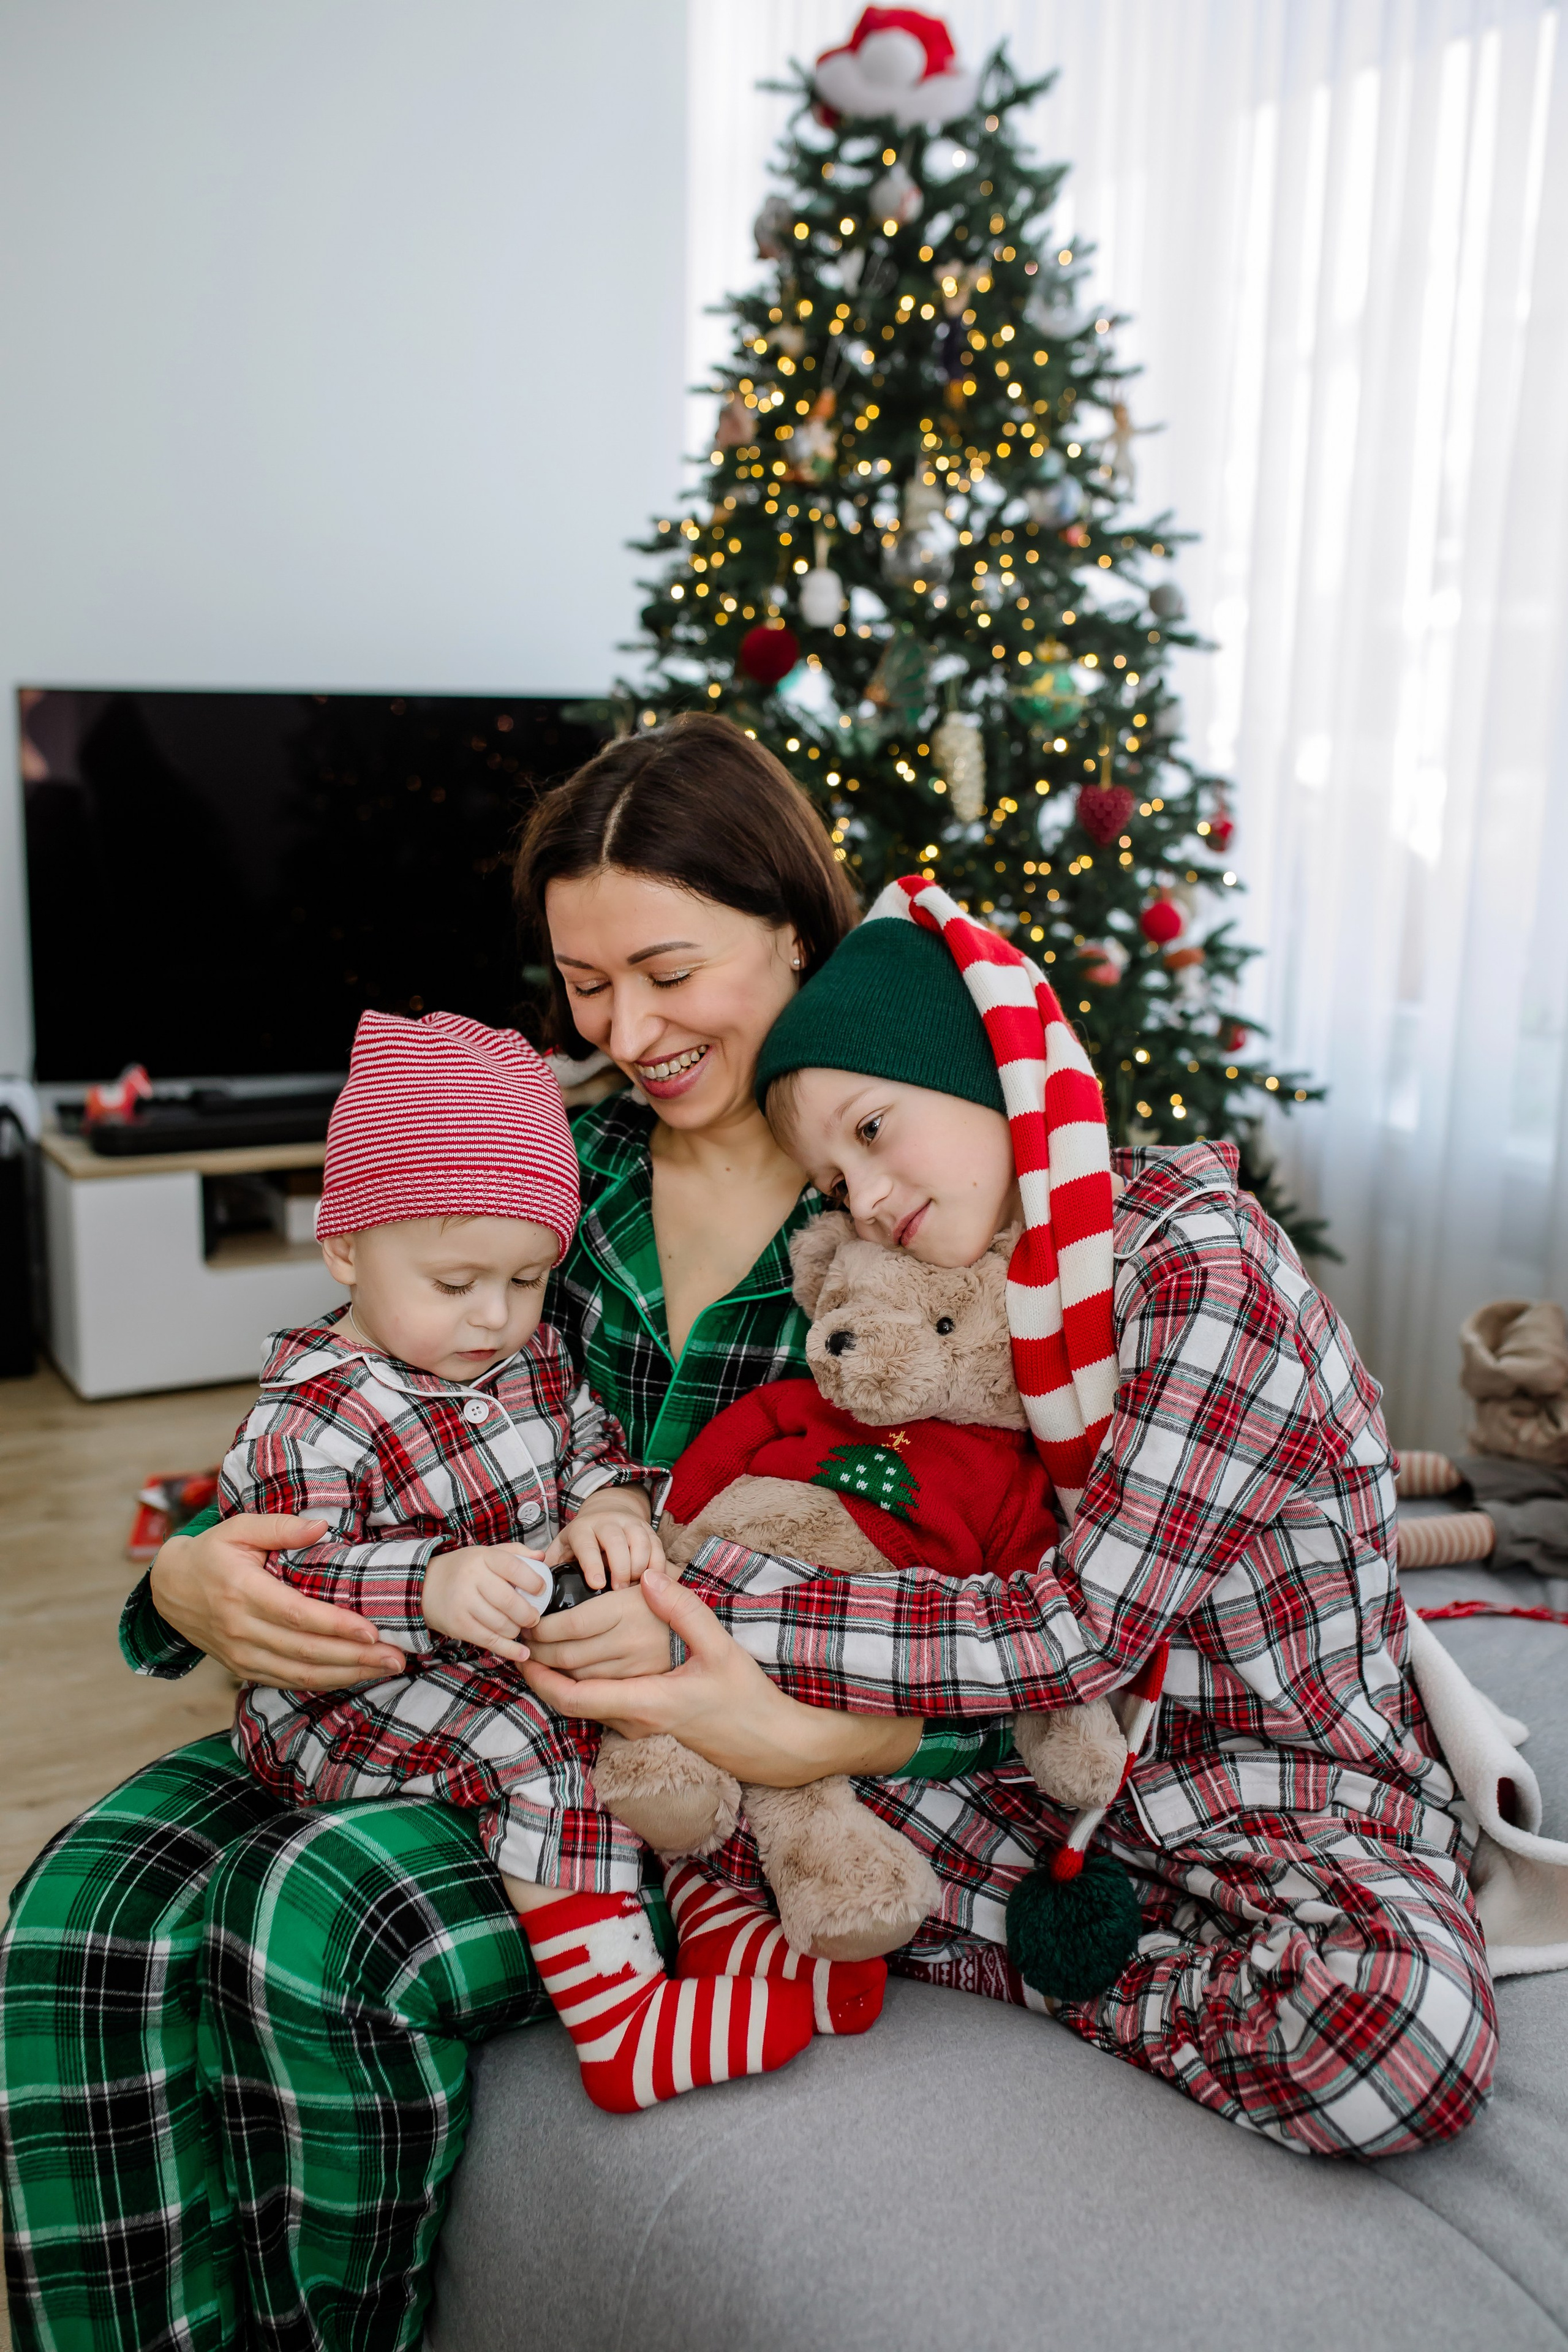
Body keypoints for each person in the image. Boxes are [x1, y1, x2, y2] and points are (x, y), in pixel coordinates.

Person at [0, 720, 925, 2348]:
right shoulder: (543, 1172)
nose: (621, 1028)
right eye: (581, 982)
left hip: (661, 1755)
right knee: (76, 1906)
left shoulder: (895, 1217)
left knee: (305, 1917)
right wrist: (186, 1582)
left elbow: (974, 1575)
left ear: (794, 925)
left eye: (664, 969)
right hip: (415, 1667)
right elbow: (334, 1422)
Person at [524, 876, 1498, 2158]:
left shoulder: (1199, 1267)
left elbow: (1072, 1631)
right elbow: (899, 1519)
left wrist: (702, 1612)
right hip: (1053, 1781)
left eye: (874, 1131)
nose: (863, 1199)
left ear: (993, 1071)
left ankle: (1059, 1961)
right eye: (832, 1175)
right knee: (705, 1809)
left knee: (1395, 2033)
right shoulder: (991, 1287)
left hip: (1272, 1789)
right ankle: (996, 1915)